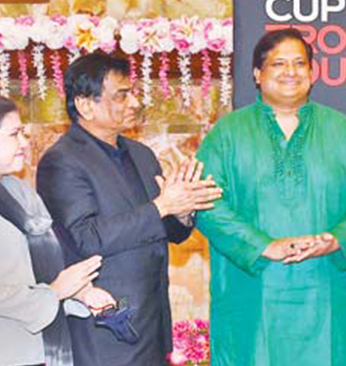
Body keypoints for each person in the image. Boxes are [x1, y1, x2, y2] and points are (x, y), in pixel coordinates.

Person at [194, 28, 346, 366]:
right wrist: (262, 245)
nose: (291, 72)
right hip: (252, 291)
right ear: (257, 74)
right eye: (278, 64)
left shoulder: (343, 131)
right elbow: (206, 203)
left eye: (300, 63)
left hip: (324, 290)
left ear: (312, 73)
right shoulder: (227, 134)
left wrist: (336, 239)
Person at [37, 53, 224, 366]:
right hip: (105, 323)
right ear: (85, 105)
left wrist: (181, 212)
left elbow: (168, 232)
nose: (135, 103)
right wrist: (162, 205)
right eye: (122, 95)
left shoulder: (141, 154)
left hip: (151, 320)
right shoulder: (62, 161)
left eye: (133, 92)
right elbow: (87, 238)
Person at [0, 95, 118, 366]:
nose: (25, 144)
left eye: (24, 134)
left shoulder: (21, 193)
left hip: (39, 352)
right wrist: (54, 293)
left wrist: (83, 292)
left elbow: (44, 267)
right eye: (14, 135)